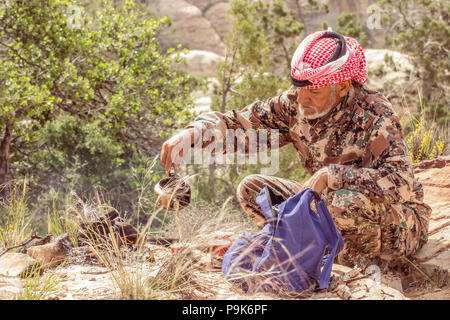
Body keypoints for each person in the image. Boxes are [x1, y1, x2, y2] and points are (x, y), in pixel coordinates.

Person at [160, 30, 432, 268]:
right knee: (253, 189)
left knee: (344, 203)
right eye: (299, 89)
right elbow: (242, 124)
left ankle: (347, 260)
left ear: (342, 86)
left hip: (397, 222)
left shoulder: (375, 115)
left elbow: (402, 182)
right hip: (327, 206)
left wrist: (332, 176)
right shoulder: (296, 103)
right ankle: (306, 252)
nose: (302, 99)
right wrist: (193, 134)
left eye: (314, 92)